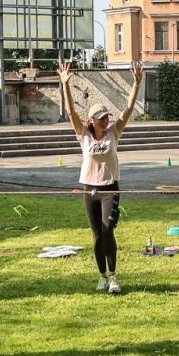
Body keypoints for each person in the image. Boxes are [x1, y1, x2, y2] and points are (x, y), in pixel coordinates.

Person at [59, 59, 143, 294]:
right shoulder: (83, 134)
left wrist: (136, 83)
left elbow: (127, 108)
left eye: (107, 117)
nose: (106, 120)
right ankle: (102, 276)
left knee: (107, 231)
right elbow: (71, 111)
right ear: (91, 121)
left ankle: (114, 276)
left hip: (110, 188)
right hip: (89, 189)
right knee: (96, 235)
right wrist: (65, 84)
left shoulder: (114, 132)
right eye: (101, 118)